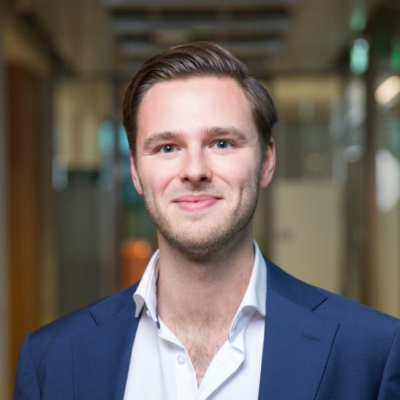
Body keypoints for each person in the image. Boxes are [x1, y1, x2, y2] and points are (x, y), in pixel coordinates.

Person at [14, 42, 400, 400]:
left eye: (222, 143)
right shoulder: (52, 360)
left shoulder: (372, 352)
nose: (195, 170)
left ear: (266, 161)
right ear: (135, 171)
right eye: (167, 147)